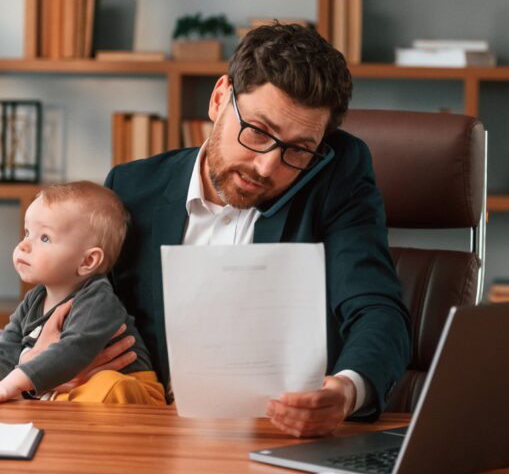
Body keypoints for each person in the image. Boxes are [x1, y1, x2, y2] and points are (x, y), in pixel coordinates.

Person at [103, 23, 411, 437]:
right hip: (155, 437)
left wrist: (346, 391)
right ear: (218, 99)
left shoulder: (335, 177)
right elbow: (75, 307)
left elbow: (377, 311)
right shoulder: (130, 189)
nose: (267, 166)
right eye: (259, 132)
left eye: (298, 149)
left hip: (278, 441)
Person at [0, 181, 165, 406]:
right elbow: (5, 345)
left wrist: (12, 382)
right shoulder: (35, 298)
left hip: (134, 388)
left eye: (44, 238)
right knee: (61, 399)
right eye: (27, 232)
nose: (24, 245)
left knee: (109, 386)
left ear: (87, 261)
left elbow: (71, 351)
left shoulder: (98, 300)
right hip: (70, 386)